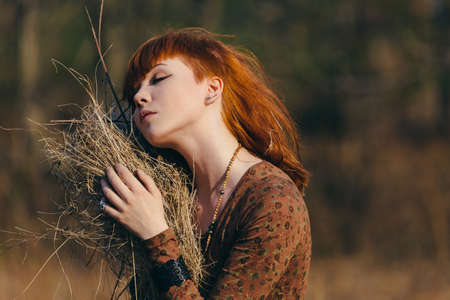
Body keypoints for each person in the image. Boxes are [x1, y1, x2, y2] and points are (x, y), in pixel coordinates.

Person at [99, 28, 311, 299]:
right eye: (134, 92)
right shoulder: (169, 197)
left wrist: (155, 235)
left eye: (158, 78)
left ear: (212, 89)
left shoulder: (272, 199)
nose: (140, 96)